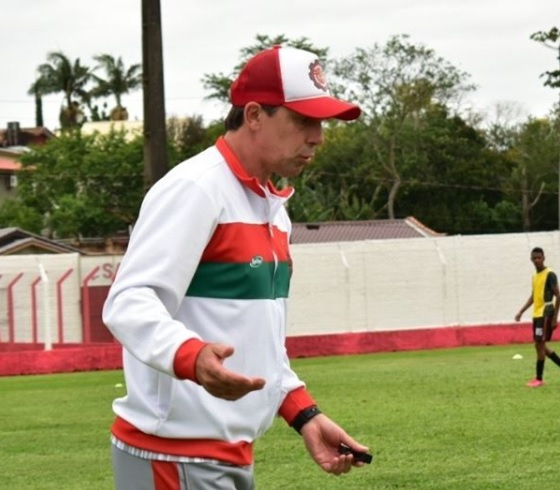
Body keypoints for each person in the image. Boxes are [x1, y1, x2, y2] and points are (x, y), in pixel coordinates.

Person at [102, 45, 370, 490]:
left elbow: (256, 338)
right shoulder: (195, 189)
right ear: (253, 115)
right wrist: (191, 356)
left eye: (321, 123)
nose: (318, 137)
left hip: (221, 457)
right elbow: (128, 301)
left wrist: (303, 413)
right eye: (303, 120)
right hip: (172, 458)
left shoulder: (269, 206)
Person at [515, 246, 560, 387]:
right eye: (534, 258)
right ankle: (540, 378)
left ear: (543, 258)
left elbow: (558, 295)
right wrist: (521, 311)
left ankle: (539, 379)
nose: (537, 260)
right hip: (537, 315)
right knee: (540, 345)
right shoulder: (535, 276)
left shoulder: (550, 274)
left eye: (539, 258)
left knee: (539, 345)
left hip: (546, 313)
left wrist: (554, 318)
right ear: (531, 259)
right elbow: (534, 296)